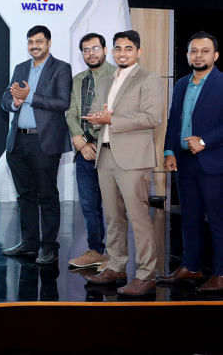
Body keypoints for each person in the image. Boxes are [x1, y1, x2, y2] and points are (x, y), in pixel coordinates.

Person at [82, 30, 163, 296]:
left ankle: (146, 275)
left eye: (128, 48)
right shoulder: (106, 80)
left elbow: (151, 117)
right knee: (112, 217)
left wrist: (111, 120)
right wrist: (95, 120)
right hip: (105, 155)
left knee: (139, 218)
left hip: (134, 159)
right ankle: (116, 266)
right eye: (118, 48)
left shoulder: (149, 79)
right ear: (112, 51)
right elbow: (97, 113)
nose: (122, 53)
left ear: (139, 52)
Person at [0, 25, 72, 265]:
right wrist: (15, 103)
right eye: (31, 42)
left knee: (47, 195)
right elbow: (5, 99)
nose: (34, 46)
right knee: (25, 195)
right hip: (18, 141)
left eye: (39, 41)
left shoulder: (61, 68)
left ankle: (49, 247)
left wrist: (28, 96)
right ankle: (29, 243)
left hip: (44, 141)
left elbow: (62, 102)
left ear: (48, 43)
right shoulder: (20, 68)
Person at [159, 31, 223, 292]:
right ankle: (192, 267)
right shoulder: (182, 84)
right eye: (193, 51)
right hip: (184, 163)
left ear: (215, 55)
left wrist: (205, 140)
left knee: (218, 221)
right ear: (187, 55)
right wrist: (169, 151)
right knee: (190, 218)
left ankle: (220, 273)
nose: (198, 56)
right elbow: (174, 120)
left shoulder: (221, 83)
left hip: (214, 163)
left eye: (204, 51)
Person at [65, 33, 116, 269]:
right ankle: (95, 250)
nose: (90, 53)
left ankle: (115, 257)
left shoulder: (117, 76)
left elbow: (113, 115)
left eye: (95, 48)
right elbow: (71, 113)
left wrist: (90, 140)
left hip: (111, 150)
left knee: (114, 206)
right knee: (88, 205)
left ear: (105, 50)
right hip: (85, 153)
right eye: (86, 50)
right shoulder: (78, 80)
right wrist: (82, 143)